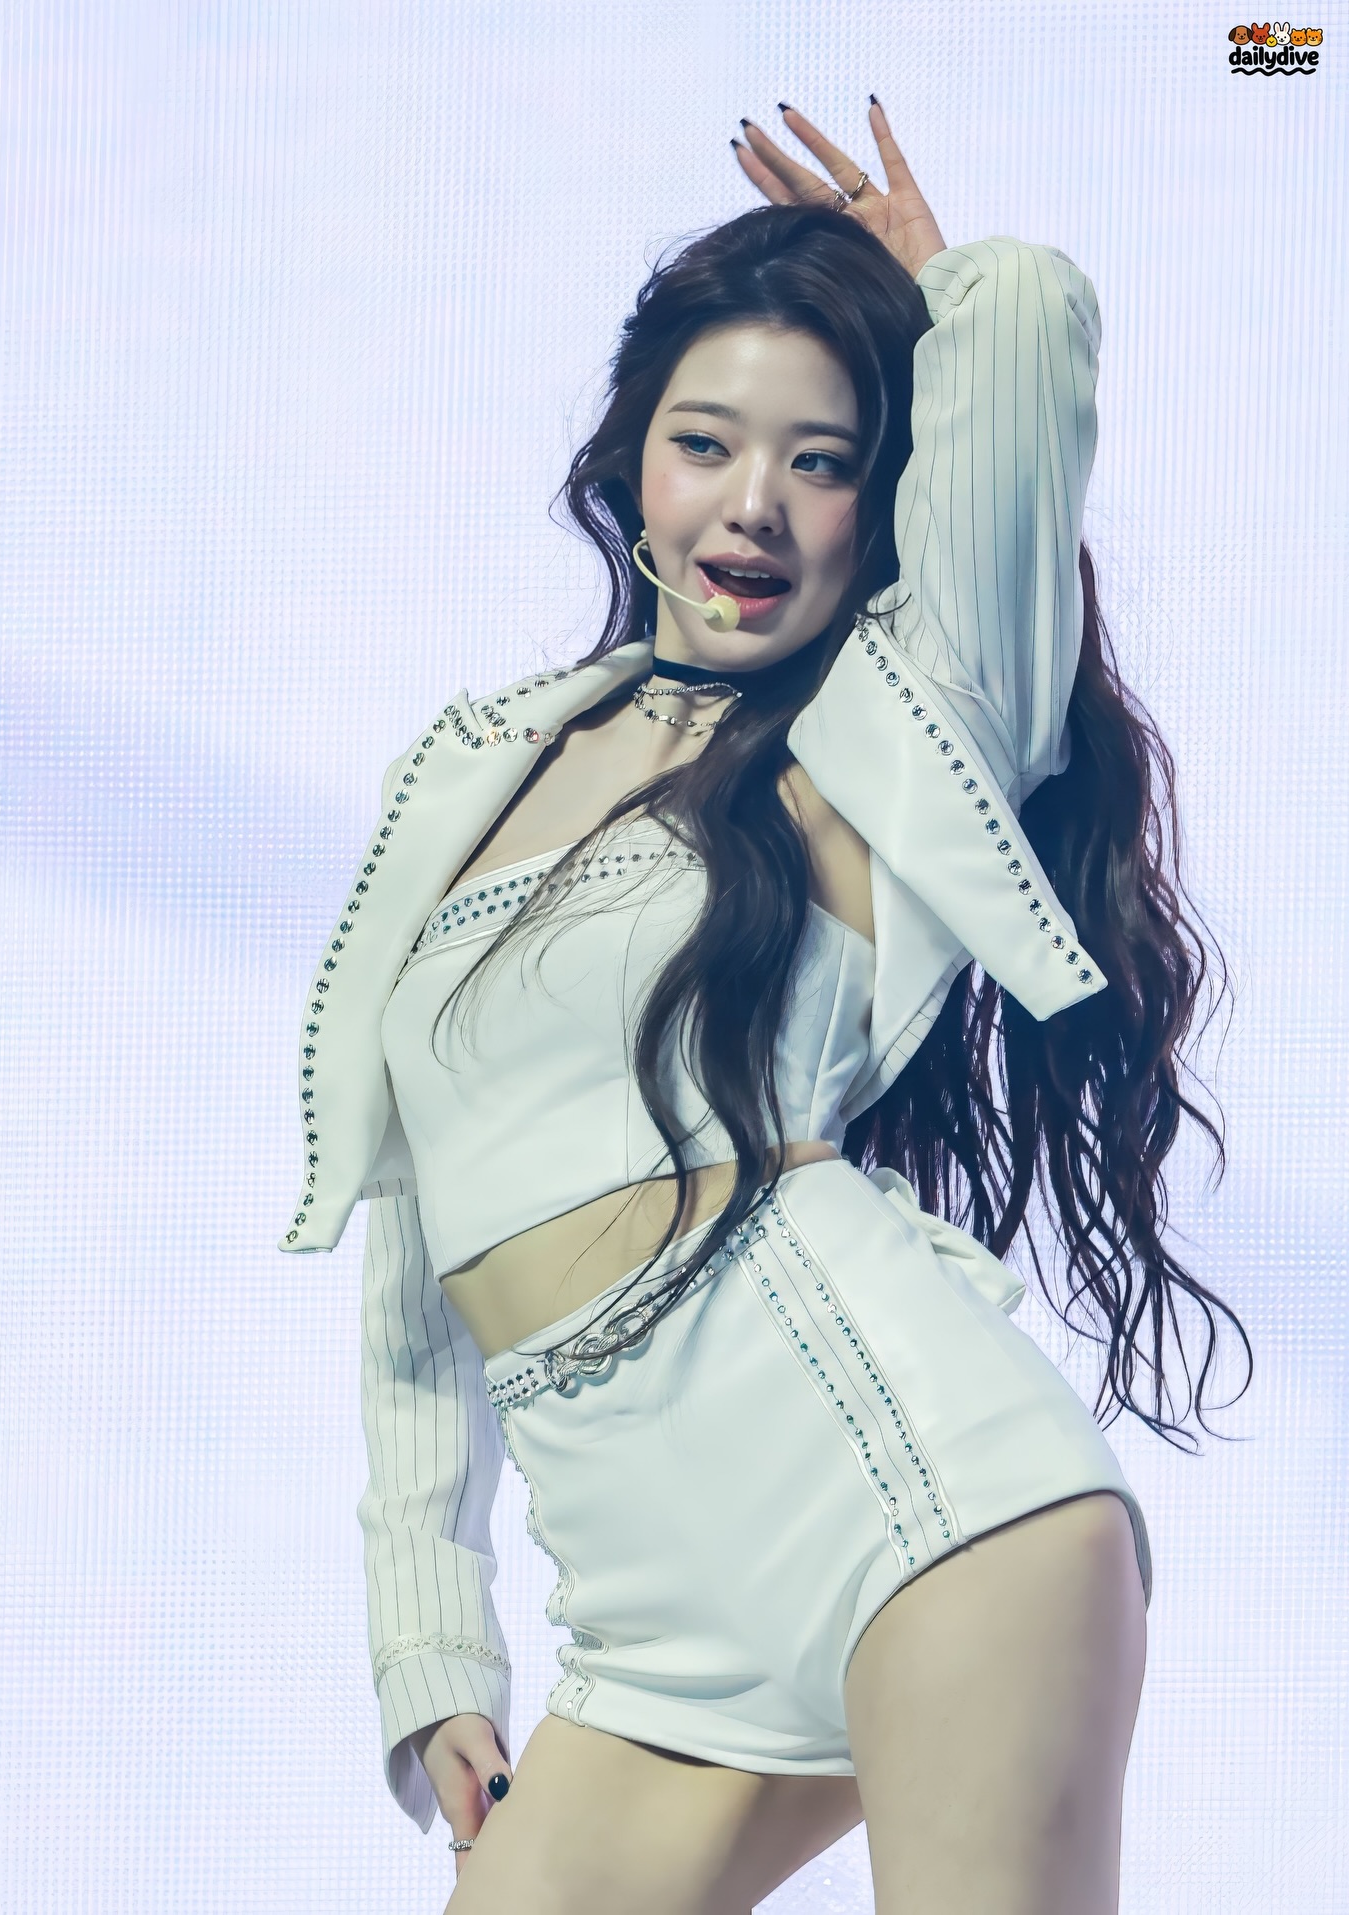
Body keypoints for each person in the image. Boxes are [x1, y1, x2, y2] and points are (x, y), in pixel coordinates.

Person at [280, 100, 1250, 1914]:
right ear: (631, 462)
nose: (753, 505)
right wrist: (432, 1642)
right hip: (648, 1626)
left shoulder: (893, 732)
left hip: (926, 1507)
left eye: (822, 462)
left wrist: (937, 292)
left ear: (883, 501)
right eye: (706, 444)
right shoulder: (475, 765)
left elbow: (1032, 330)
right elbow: (415, 1232)